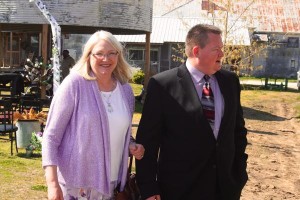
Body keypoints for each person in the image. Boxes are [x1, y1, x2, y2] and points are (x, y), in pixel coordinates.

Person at [136, 24, 248, 200]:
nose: (222, 54)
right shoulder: (162, 85)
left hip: (225, 189)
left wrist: (239, 173)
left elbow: (238, 132)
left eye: (222, 49)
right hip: (178, 190)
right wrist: (149, 188)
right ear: (196, 51)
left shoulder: (230, 82)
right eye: (216, 49)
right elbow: (148, 142)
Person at [42, 30, 145, 200]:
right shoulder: (74, 84)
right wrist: (52, 184)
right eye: (99, 54)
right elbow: (51, 137)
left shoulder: (125, 90)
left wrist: (131, 145)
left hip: (112, 185)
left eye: (112, 53)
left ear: (118, 56)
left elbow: (117, 130)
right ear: (88, 56)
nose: (106, 59)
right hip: (77, 186)